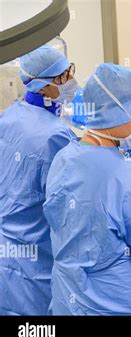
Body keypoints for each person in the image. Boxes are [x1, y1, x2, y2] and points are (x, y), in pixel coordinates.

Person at [43, 64, 131, 315]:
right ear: (115, 115)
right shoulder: (129, 183)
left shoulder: (63, 159)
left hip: (69, 300)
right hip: (116, 306)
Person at [0, 45, 77, 315]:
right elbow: (70, 204)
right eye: (63, 76)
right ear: (43, 86)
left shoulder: (7, 117)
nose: (70, 80)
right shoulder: (55, 135)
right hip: (36, 261)